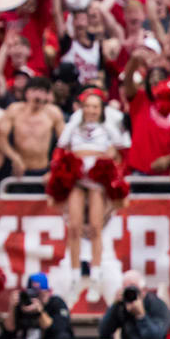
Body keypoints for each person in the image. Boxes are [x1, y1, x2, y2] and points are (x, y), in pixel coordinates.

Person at [55, 87, 123, 295]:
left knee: (96, 227)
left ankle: (96, 271)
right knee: (74, 226)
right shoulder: (74, 127)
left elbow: (120, 147)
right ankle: (75, 272)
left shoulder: (107, 127)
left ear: (101, 108)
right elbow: (62, 145)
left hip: (96, 181)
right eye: (88, 106)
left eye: (95, 106)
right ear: (82, 108)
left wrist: (109, 156)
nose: (91, 110)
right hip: (76, 180)